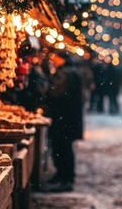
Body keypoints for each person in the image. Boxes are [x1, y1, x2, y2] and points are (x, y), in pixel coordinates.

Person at [45, 55, 84, 192]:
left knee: (64, 150)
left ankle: (66, 179)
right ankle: (61, 175)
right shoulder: (66, 73)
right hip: (63, 120)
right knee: (59, 149)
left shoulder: (68, 74)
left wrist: (50, 99)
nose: (52, 59)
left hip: (66, 121)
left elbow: (64, 97)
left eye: (54, 57)